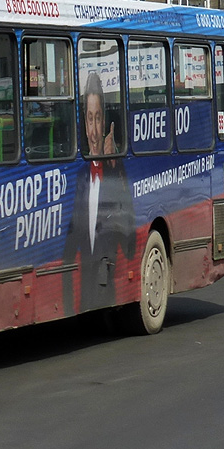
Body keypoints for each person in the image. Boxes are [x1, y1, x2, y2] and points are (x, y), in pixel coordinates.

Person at [63, 72, 135, 314]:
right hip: (84, 301)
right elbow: (69, 251)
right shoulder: (80, 178)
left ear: (105, 123)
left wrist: (115, 168)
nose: (93, 131)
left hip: (111, 297)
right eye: (89, 119)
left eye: (98, 119)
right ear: (84, 124)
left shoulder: (117, 171)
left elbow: (130, 245)